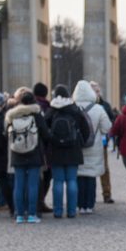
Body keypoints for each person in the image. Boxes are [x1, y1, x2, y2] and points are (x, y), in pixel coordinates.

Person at [46, 84, 91, 219]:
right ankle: (71, 211)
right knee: (72, 180)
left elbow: (44, 130)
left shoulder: (51, 111)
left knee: (58, 181)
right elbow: (86, 130)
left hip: (55, 150)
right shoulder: (75, 110)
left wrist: (51, 142)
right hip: (73, 150)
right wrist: (80, 143)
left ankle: (58, 211)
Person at [6, 89, 51, 224]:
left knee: (18, 185)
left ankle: (19, 214)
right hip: (34, 153)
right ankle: (32, 214)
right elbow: (46, 134)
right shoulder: (37, 114)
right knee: (33, 185)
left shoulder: (11, 115)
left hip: (16, 153)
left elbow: (5, 133)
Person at [74, 79, 112, 214]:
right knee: (91, 177)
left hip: (77, 147)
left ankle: (79, 205)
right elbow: (107, 128)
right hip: (94, 147)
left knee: (79, 177)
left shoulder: (73, 107)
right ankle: (89, 205)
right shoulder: (98, 109)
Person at [90, 81, 117, 204]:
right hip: (89, 142)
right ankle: (89, 195)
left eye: (97, 91)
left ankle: (107, 193)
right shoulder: (88, 104)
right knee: (88, 168)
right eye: (94, 91)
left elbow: (111, 121)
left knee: (104, 168)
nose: (97, 93)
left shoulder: (105, 105)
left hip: (102, 141)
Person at [32, 82, 54, 214]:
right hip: (46, 149)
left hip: (28, 147)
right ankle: (40, 201)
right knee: (46, 177)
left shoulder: (26, 106)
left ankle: (30, 204)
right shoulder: (49, 107)